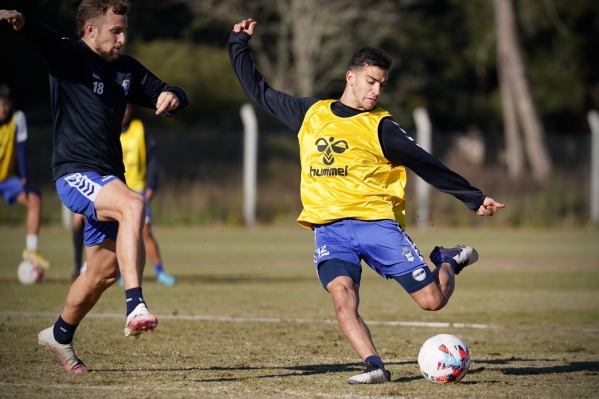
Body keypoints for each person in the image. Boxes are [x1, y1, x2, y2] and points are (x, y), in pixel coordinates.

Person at [229, 18, 505, 385]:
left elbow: (426, 162)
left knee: (432, 302)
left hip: (377, 226)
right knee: (342, 297)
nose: (376, 90)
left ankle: (449, 260)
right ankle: (374, 365)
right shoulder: (310, 114)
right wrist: (238, 43)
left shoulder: (382, 127)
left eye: (381, 84)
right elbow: (258, 90)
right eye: (371, 81)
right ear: (351, 77)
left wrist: (473, 198)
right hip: (329, 229)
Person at [0, 0, 188, 374]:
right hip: (75, 174)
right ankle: (135, 304)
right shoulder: (69, 55)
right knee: (134, 204)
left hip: (108, 180)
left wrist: (175, 97)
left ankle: (59, 334)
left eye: (124, 31)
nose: (122, 38)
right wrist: (23, 23)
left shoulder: (125, 70)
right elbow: (44, 38)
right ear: (91, 31)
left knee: (101, 273)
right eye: (115, 31)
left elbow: (167, 90)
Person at [71, 105, 177, 286]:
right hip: (111, 189)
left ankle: (159, 271)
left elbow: (151, 156)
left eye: (127, 107)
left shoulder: (139, 128)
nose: (124, 111)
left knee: (145, 231)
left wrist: (152, 183)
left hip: (137, 189)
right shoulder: (106, 128)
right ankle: (117, 272)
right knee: (115, 232)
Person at [0, 82, 50, 270]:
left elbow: (22, 149)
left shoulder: (17, 118)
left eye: (5, 104)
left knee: (35, 199)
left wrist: (25, 178)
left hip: (6, 179)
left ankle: (31, 251)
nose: (2, 108)